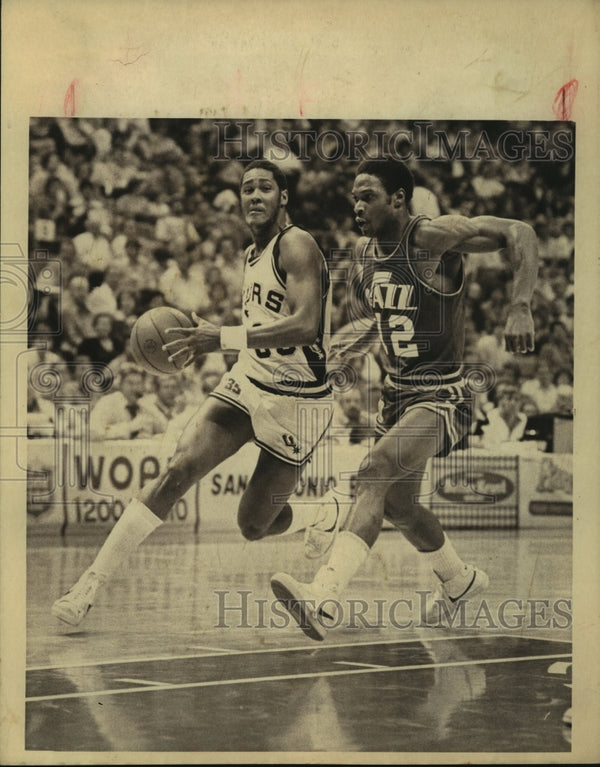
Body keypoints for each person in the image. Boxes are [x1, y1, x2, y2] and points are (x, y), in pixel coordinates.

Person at [52, 159, 333, 626]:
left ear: (284, 197)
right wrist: (221, 342)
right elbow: (262, 328)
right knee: (177, 470)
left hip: (300, 401)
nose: (255, 196)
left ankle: (319, 515)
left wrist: (220, 338)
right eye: (247, 189)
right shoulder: (250, 254)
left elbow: (305, 326)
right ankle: (89, 585)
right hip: (249, 381)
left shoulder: (297, 244)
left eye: (266, 187)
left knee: (252, 525)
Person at [271, 156, 538, 641]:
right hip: (398, 395)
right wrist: (342, 351)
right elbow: (390, 321)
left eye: (368, 195)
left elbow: (520, 232)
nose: (357, 204)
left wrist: (519, 304)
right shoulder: (365, 253)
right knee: (398, 506)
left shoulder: (432, 237)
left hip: (442, 395)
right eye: (353, 196)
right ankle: (458, 580)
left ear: (398, 199)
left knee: (374, 470)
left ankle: (324, 597)